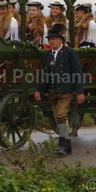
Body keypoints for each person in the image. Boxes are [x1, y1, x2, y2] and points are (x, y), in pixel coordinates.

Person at [34, 25, 85, 155]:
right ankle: (66, 145)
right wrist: (38, 90)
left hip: (65, 90)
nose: (51, 41)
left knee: (62, 116)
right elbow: (43, 73)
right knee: (58, 118)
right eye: (49, 39)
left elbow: (77, 72)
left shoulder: (69, 53)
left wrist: (80, 92)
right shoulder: (48, 55)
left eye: (53, 39)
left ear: (60, 40)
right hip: (53, 91)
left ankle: (64, 146)